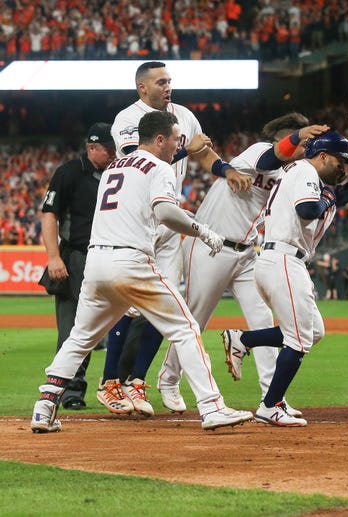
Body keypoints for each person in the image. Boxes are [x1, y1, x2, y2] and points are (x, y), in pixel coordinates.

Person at [30, 110, 254, 433]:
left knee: (79, 338)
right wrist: (203, 231)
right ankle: (213, 407)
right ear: (160, 139)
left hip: (97, 264)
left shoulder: (113, 167)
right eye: (175, 139)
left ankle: (44, 406)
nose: (178, 145)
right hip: (131, 262)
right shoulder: (159, 167)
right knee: (186, 327)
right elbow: (164, 211)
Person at [98, 61, 252, 417]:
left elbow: (203, 152)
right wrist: (188, 147)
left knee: (164, 305)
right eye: (160, 81)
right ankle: (110, 383)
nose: (168, 86)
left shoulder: (183, 115)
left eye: (170, 80)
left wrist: (226, 169)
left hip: (169, 223)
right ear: (142, 88)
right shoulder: (128, 119)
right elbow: (135, 159)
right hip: (140, 221)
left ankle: (137, 383)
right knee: (130, 304)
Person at [153, 113, 328, 420]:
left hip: (248, 253)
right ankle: (168, 380)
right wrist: (296, 136)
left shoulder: (296, 174)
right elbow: (272, 157)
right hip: (210, 245)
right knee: (195, 318)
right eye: (304, 143)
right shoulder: (261, 150)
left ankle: (272, 400)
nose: (308, 149)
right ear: (287, 140)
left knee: (263, 320)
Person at [221, 129, 348, 427]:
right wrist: (333, 196)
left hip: (281, 260)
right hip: (283, 260)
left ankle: (243, 339)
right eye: (340, 160)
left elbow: (310, 211)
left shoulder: (303, 175)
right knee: (298, 340)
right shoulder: (306, 171)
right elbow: (308, 209)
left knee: (313, 331)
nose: (343, 167)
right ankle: (270, 405)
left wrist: (335, 200)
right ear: (322, 156)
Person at [39, 123, 116, 410]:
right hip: (76, 257)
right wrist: (53, 256)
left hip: (112, 257)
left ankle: (118, 386)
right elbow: (49, 214)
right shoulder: (69, 172)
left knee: (113, 327)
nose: (113, 153)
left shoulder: (117, 172)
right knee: (72, 329)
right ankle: (69, 391)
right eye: (108, 148)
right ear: (92, 147)